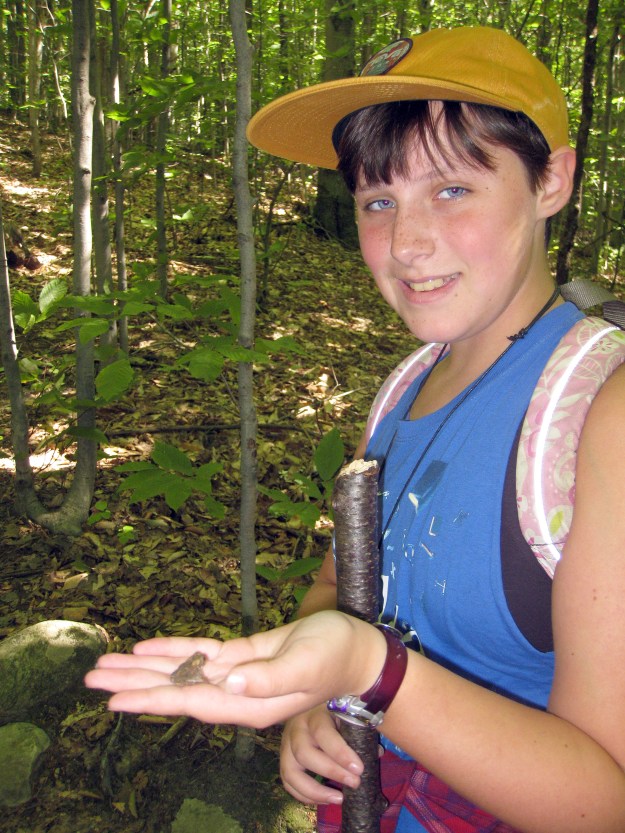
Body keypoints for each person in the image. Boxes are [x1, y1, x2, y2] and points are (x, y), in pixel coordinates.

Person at [85, 26, 625, 833]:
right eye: (378, 200)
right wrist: (319, 694)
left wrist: (370, 673)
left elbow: (602, 801)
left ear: (551, 179)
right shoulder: (404, 388)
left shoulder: (596, 411)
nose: (406, 243)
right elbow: (343, 589)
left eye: (452, 188)